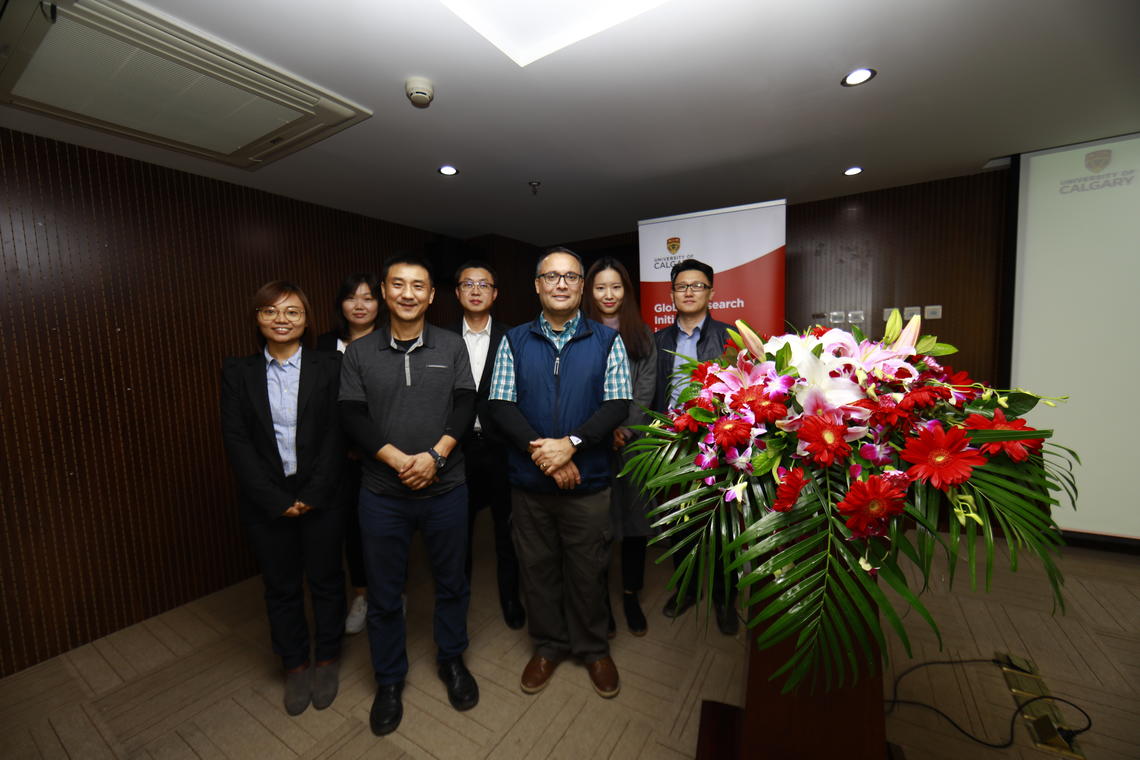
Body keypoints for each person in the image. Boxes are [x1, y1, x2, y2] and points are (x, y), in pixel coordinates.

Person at [338, 254, 478, 736]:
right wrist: (399, 461)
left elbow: (465, 403)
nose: (408, 293)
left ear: (431, 295)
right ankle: (390, 679)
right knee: (382, 592)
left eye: (418, 285)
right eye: (397, 285)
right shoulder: (358, 353)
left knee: (452, 583)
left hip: (447, 489)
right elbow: (353, 416)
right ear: (384, 291)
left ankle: (452, 661)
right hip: (382, 492)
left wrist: (435, 457)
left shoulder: (452, 344)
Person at [487, 247, 632, 699]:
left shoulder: (608, 341)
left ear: (581, 287)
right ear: (537, 285)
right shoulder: (513, 341)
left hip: (587, 484)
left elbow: (616, 405)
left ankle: (592, 649)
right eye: (552, 277)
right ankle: (549, 645)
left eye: (571, 277)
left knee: (589, 569)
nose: (562, 284)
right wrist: (545, 455)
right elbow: (500, 405)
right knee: (538, 569)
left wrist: (569, 447)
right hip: (530, 485)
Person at [220, 281, 346, 716]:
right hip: (266, 500)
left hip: (321, 495)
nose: (281, 320)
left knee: (327, 581)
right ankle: (294, 664)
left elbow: (336, 434)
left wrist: (312, 493)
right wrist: (275, 498)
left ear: (306, 320)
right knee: (281, 586)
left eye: (292, 312)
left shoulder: (330, 366)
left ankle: (327, 657)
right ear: (257, 318)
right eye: (271, 312)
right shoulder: (237, 372)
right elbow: (236, 441)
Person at [652, 258, 739, 635]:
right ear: (671, 294)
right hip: (669, 447)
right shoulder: (658, 341)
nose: (688, 292)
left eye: (697, 286)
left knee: (721, 528)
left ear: (711, 293)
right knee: (679, 525)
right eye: (681, 286)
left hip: (715, 446)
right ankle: (687, 590)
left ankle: (724, 598)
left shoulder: (729, 338)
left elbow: (741, 392)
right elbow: (648, 393)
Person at [582, 257, 657, 637]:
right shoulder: (577, 333)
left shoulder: (641, 335)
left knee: (633, 524)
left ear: (626, 291)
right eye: (600, 287)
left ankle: (630, 594)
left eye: (616, 287)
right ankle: (598, 602)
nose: (608, 294)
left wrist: (624, 431)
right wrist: (600, 431)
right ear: (589, 292)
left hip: (632, 446)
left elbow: (644, 394)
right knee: (596, 526)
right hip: (590, 445)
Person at [449, 260, 525, 630]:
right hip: (456, 451)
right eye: (468, 284)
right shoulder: (441, 338)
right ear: (457, 292)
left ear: (495, 294)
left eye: (484, 284)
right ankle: (456, 602)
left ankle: (511, 597)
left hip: (502, 449)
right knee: (455, 532)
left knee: (506, 531)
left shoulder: (515, 338)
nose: (476, 290)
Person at [317, 273, 382, 635]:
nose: (359, 305)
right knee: (349, 530)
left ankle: (392, 593)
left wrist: (367, 444)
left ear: (380, 304)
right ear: (341, 304)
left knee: (385, 528)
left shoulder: (391, 342)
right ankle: (362, 594)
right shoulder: (324, 345)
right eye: (351, 298)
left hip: (381, 452)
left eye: (368, 298)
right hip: (335, 456)